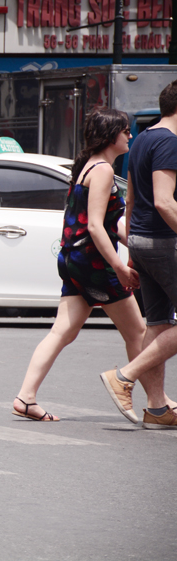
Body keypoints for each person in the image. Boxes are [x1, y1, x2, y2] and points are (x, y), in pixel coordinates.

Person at [12, 108, 146, 422]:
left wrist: (134, 243)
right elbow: (97, 228)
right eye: (125, 131)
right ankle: (147, 396)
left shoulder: (90, 166)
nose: (130, 136)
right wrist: (120, 268)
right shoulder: (102, 170)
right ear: (110, 136)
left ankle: (25, 397)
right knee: (138, 331)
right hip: (94, 264)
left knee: (63, 331)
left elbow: (105, 226)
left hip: (74, 259)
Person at [101, 80, 177, 429]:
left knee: (159, 322)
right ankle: (124, 376)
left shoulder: (144, 138)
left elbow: (130, 198)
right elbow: (164, 201)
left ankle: (157, 407)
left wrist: (132, 247)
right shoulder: (169, 142)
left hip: (142, 240)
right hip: (164, 241)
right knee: (161, 322)